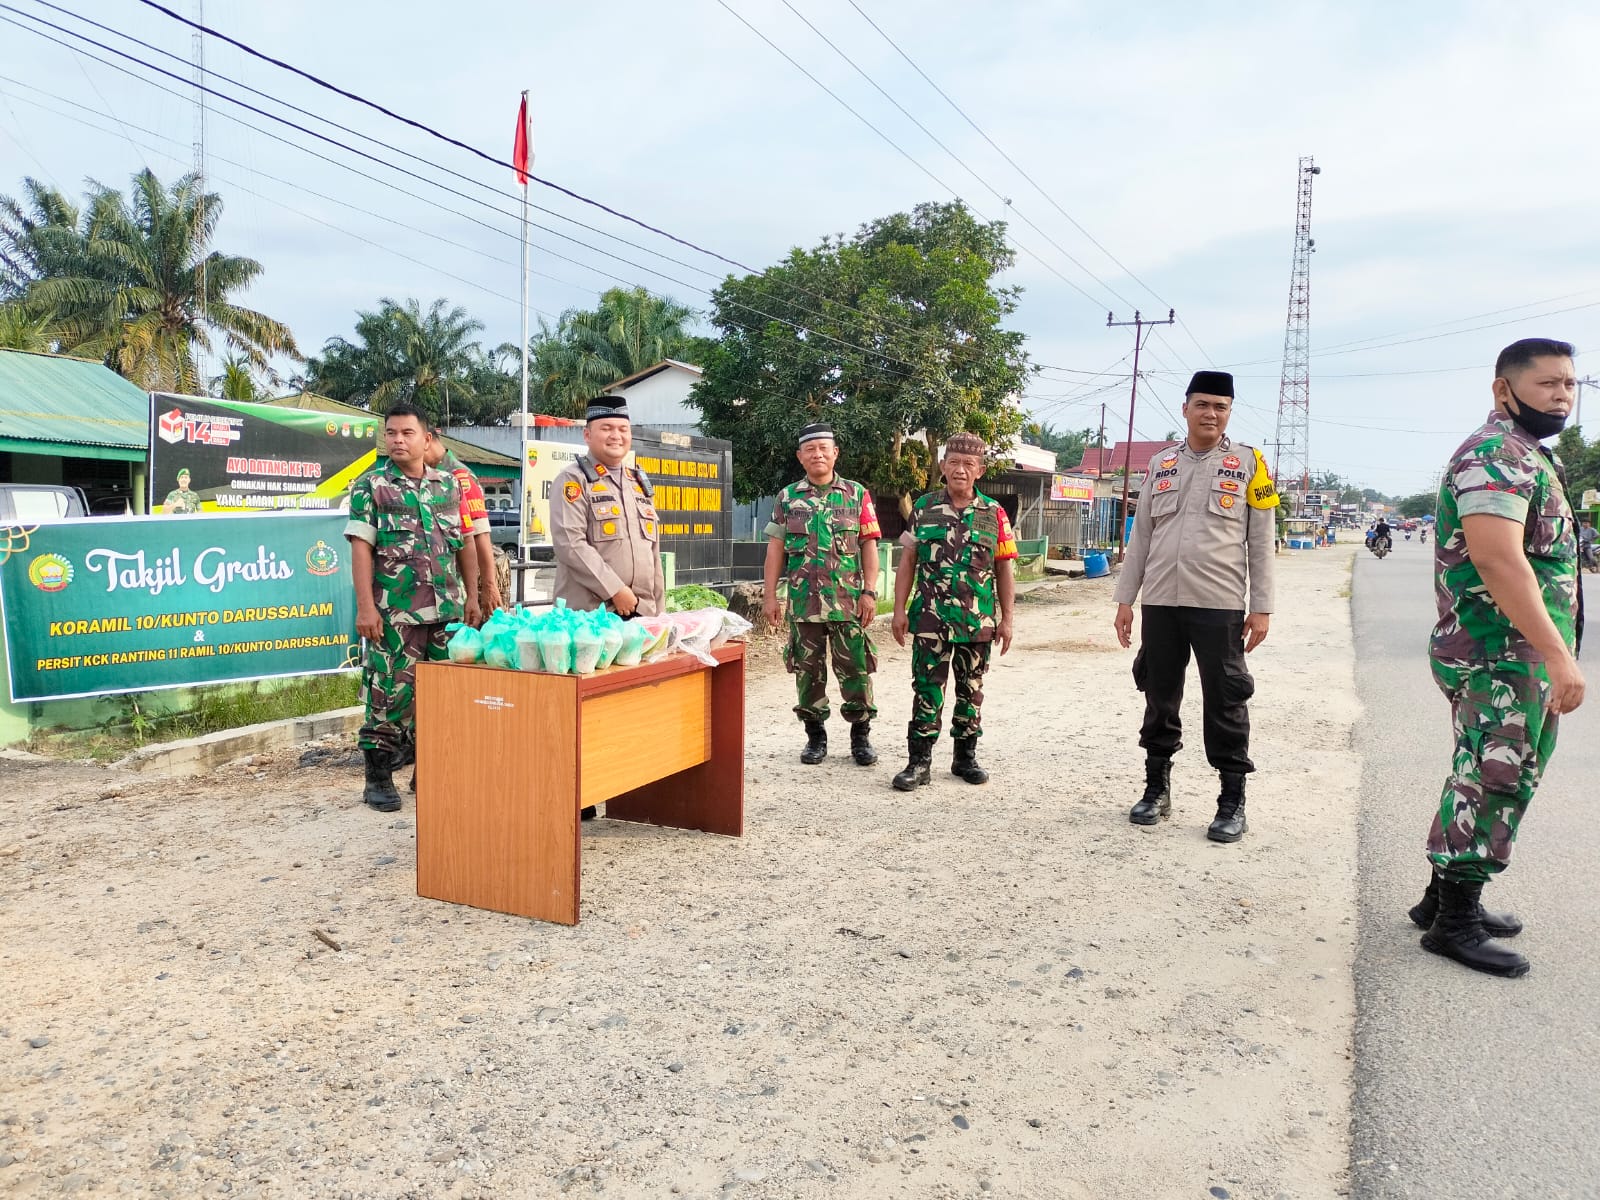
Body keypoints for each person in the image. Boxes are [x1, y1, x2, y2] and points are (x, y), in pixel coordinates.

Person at [1411, 338, 1585, 978]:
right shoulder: (1496, 456)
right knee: (1496, 777)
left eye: (1570, 384)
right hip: (1500, 654)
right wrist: (1558, 655)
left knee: (1478, 770)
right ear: (1503, 390)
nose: (1562, 395)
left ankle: (1439, 901)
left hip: (1511, 654)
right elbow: (1498, 559)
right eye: (1547, 384)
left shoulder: (1526, 455)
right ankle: (1454, 922)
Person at [1113, 370, 1277, 842]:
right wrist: (1126, 599)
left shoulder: (1251, 465)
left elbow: (1261, 542)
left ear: (1229, 413)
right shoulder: (1161, 464)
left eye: (1220, 407)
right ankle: (1156, 791)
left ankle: (1231, 803)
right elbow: (1140, 536)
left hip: (1219, 604)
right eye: (1202, 404)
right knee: (1159, 696)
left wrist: (1261, 606)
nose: (1211, 413)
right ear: (1185, 408)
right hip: (1160, 603)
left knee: (1226, 701)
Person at [345, 402, 480, 812]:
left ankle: (434, 772)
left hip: (447, 614)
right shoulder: (370, 487)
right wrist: (366, 608)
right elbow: (361, 549)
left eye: (406, 433)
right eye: (391, 433)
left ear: (427, 438)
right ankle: (379, 777)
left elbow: (465, 544)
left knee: (447, 696)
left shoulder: (448, 486)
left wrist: (473, 596)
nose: (398, 440)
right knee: (389, 693)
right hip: (396, 614)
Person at [890, 432, 1017, 790]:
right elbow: (908, 560)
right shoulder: (924, 507)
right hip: (930, 616)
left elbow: (1005, 567)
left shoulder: (995, 513)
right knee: (926, 688)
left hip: (977, 621)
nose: (960, 470)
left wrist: (1007, 619)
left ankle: (965, 757)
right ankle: (919, 762)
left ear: (980, 470)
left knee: (971, 689)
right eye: (954, 463)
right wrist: (899, 610)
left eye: (968, 464)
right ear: (943, 466)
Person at [762, 422, 882, 765]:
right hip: (804, 603)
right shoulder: (787, 498)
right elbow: (775, 551)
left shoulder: (857, 494)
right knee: (807, 673)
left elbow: (869, 546)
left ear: (835, 453)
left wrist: (869, 592)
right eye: (810, 449)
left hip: (848, 604)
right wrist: (771, 596)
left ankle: (861, 737)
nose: (817, 454)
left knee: (856, 671)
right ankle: (815, 738)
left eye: (823, 448)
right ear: (801, 457)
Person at [549, 396, 665, 619]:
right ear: (587, 435)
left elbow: (653, 555)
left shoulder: (638, 483)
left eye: (623, 429)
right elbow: (570, 544)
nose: (616, 436)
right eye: (607, 428)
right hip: (590, 617)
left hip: (642, 613)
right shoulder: (573, 480)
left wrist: (660, 614)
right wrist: (616, 590)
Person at [423, 426, 504, 615]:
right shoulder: (424, 474)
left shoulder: (459, 476)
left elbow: (480, 535)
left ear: (427, 441)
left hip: (458, 591)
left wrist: (488, 586)